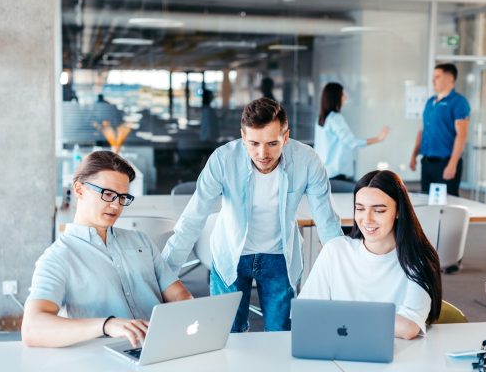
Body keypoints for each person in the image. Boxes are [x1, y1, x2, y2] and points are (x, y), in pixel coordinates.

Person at [163, 97, 342, 332]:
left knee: (281, 336)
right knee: (227, 335)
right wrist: (165, 277)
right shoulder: (223, 159)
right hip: (231, 256)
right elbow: (193, 218)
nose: (262, 153)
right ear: (243, 136)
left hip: (280, 257)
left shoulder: (307, 160)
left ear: (285, 137)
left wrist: (343, 273)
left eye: (272, 143)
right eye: (254, 143)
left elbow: (327, 221)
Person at [22, 151, 192, 348]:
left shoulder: (141, 241)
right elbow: (32, 329)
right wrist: (107, 325)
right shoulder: (58, 257)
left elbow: (180, 295)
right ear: (79, 190)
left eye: (122, 197)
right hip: (104, 358)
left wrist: (187, 321)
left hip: (161, 348)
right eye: (108, 194)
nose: (116, 205)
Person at [299, 170, 442, 340]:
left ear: (398, 211)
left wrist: (341, 315)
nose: (367, 219)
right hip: (338, 350)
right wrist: (377, 319)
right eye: (360, 208)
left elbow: (408, 327)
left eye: (379, 211)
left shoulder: (418, 259)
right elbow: (306, 313)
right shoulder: (335, 251)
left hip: (398, 356)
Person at [409, 63, 470, 196]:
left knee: (447, 204)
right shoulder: (430, 102)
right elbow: (422, 130)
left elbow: (462, 135)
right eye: (433, 77)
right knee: (426, 200)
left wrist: (452, 164)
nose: (433, 80)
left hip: (445, 163)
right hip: (427, 162)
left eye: (437, 77)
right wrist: (414, 155)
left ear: (450, 78)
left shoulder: (459, 102)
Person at [314, 82, 389, 180]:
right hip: (335, 173)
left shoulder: (321, 119)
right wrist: (378, 139)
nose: (345, 97)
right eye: (343, 94)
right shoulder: (335, 118)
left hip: (324, 171)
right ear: (335, 97)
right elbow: (352, 142)